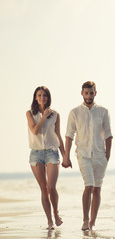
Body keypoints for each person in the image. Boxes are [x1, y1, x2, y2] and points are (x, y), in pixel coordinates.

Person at [62, 81, 113, 231]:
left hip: (99, 156)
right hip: (83, 155)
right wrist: (66, 156)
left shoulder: (103, 111)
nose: (89, 96)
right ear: (82, 93)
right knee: (89, 185)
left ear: (95, 93)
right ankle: (85, 221)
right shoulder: (75, 112)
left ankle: (93, 222)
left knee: (97, 189)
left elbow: (109, 135)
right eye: (86, 93)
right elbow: (69, 136)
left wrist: (107, 156)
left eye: (91, 93)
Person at [26, 86, 65, 229]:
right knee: (43, 188)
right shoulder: (30, 113)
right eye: (39, 95)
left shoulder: (56, 115)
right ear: (35, 97)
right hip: (36, 154)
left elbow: (58, 136)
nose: (42, 98)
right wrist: (43, 117)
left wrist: (65, 155)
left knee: (51, 187)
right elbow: (35, 131)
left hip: (51, 152)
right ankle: (49, 221)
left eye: (45, 95)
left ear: (48, 98)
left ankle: (56, 213)